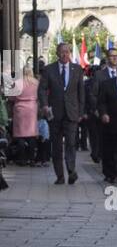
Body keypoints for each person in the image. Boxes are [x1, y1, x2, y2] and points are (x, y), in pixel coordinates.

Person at [38, 42, 86, 185]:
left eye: (67, 52)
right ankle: (60, 175)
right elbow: (42, 90)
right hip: (55, 113)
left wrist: (81, 112)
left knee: (71, 143)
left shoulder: (77, 69)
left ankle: (71, 171)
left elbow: (81, 92)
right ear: (57, 53)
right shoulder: (49, 70)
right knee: (57, 146)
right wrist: (45, 105)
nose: (65, 54)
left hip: (72, 113)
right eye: (62, 52)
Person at [9, 65, 40, 165]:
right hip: (32, 109)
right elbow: (40, 96)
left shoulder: (17, 83)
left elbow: (11, 98)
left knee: (20, 136)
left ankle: (22, 159)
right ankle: (31, 158)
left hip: (20, 110)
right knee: (31, 135)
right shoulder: (36, 83)